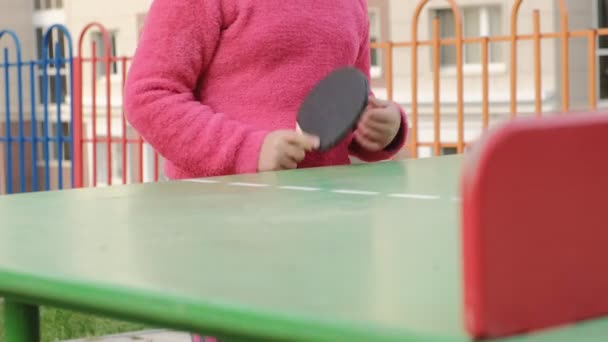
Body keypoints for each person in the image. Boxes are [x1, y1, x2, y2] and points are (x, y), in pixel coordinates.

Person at [124, 0, 408, 180]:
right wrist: (248, 150)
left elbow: (347, 101)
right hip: (219, 218)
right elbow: (149, 95)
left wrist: (381, 127)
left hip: (330, 218)